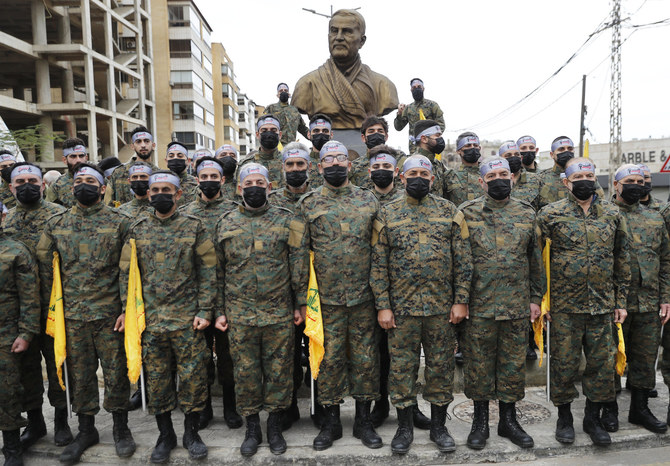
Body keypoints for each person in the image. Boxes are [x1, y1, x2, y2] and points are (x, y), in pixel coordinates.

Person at [371, 154, 472, 455]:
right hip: (401, 310)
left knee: (440, 369)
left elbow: (463, 261)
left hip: (442, 310)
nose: (418, 178)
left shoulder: (450, 211)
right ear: (401, 177)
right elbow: (378, 265)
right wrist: (383, 306)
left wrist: (461, 301)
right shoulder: (386, 214)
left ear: (432, 178)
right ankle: (404, 428)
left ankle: (439, 427)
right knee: (402, 370)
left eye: (423, 173)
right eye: (412, 173)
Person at [37, 163, 135, 463]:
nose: (83, 185)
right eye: (78, 180)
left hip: (110, 316)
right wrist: (53, 312)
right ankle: (86, 430)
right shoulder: (56, 223)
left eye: (90, 181)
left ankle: (121, 428)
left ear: (103, 187)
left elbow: (128, 270)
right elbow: (44, 267)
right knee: (80, 376)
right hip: (73, 317)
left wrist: (123, 310)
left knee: (117, 375)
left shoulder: (121, 222)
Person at [119, 170, 215, 463]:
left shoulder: (195, 227)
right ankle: (165, 435)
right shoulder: (135, 229)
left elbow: (208, 269)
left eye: (166, 189)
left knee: (193, 380)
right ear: (148, 194)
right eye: (155, 189)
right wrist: (127, 311)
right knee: (158, 382)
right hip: (152, 322)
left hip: (188, 320)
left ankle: (191, 433)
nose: (160, 194)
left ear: (178, 194)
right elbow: (126, 273)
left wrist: (204, 310)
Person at [214, 163, 306, 457]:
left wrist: (299, 304)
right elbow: (217, 271)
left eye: (260, 182)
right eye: (248, 182)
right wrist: (220, 310)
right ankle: (252, 426)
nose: (254, 187)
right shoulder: (225, 223)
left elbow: (298, 265)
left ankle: (275, 426)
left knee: (280, 372)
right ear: (239, 188)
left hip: (278, 312)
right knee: (246, 372)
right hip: (240, 314)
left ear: (269, 186)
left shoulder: (287, 220)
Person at [536, 157, 630, 446]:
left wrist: (621, 300)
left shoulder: (612, 215)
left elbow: (622, 258)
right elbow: (536, 261)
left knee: (601, 366)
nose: (585, 180)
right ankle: (564, 418)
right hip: (564, 307)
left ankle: (593, 417)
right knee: (564, 365)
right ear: (566, 182)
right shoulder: (549, 215)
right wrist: (542, 301)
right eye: (578, 177)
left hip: (602, 305)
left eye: (589, 175)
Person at [296, 140, 382, 451]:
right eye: (328, 159)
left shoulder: (369, 200)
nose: (334, 164)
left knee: (365, 361)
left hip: (363, 297)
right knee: (328, 361)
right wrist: (301, 302)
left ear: (349, 164)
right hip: (325, 302)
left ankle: (363, 421)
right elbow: (298, 255)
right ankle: (331, 421)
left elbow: (380, 250)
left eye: (340, 159)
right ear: (319, 167)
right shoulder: (307, 204)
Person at [459, 156, 545, 450]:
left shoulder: (526, 213)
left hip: (516, 304)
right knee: (478, 366)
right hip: (478, 305)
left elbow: (535, 260)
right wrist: (460, 301)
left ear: (512, 177)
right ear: (481, 181)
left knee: (512, 365)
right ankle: (480, 422)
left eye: (503, 174)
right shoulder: (466, 213)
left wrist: (536, 298)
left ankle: (509, 421)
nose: (498, 178)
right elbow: (459, 262)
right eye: (492, 175)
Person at [3, 163, 72, 450]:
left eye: (33, 180)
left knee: (58, 369)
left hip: (55, 306)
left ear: (43, 185)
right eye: (21, 181)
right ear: (11, 187)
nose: (27, 185)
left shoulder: (59, 216)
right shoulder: (6, 222)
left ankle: (61, 422)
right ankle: (35, 422)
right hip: (18, 314)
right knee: (27, 370)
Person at [608, 164, 669, 434]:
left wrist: (665, 297)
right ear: (616, 185)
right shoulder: (605, 216)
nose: (636, 185)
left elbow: (665, 260)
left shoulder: (655, 218)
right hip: (614, 304)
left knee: (644, 359)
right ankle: (607, 408)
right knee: (610, 358)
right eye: (629, 180)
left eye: (639, 180)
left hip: (649, 302)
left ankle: (639, 409)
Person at [182, 157, 240, 431]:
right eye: (203, 176)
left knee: (228, 357)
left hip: (229, 293)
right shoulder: (186, 213)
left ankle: (230, 407)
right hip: (197, 297)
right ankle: (204, 409)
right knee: (200, 356)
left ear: (223, 179)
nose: (209, 180)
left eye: (214, 176)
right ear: (196, 179)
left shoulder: (234, 210)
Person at [291, 9, 398, 129]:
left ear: (362, 41)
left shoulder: (383, 86)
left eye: (347, 32)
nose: (339, 37)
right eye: (334, 31)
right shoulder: (307, 84)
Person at [0, 208, 40, 466]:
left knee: (7, 392)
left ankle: (12, 447)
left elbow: (30, 297)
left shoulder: (16, 251)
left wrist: (26, 333)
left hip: (7, 334)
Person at [537, 136, 605, 209]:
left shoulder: (586, 177)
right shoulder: (541, 178)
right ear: (552, 154)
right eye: (561, 149)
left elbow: (601, 201)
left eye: (570, 149)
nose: (566, 152)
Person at [104, 126, 159, 206]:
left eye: (146, 141)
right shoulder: (119, 173)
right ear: (132, 146)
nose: (143, 145)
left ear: (153, 145)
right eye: (138, 142)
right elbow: (108, 203)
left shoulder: (158, 174)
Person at [394, 78, 445, 153]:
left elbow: (441, 125)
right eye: (414, 87)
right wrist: (399, 114)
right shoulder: (408, 108)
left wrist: (431, 138)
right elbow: (398, 127)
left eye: (419, 87)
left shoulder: (432, 105)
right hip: (414, 149)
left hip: (430, 146)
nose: (416, 89)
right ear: (411, 90)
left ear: (423, 88)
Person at [238, 115, 284, 189]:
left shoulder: (289, 162)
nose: (269, 134)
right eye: (264, 130)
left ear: (280, 135)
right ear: (257, 135)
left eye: (273, 130)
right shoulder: (245, 164)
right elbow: (239, 195)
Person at [410, 120, 450, 198]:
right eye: (437, 136)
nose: (441, 139)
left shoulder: (438, 164)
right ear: (424, 139)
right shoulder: (412, 163)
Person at [46, 138, 89, 208]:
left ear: (86, 157)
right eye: (73, 156)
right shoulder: (57, 185)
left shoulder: (99, 180)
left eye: (81, 156)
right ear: (64, 160)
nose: (78, 160)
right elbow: (49, 211)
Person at [349, 116, 390, 186]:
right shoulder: (355, 166)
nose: (376, 134)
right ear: (363, 137)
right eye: (371, 131)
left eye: (380, 131)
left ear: (386, 137)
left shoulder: (398, 160)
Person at [498, 141, 540, 209]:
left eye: (517, 154)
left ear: (521, 158)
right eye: (508, 155)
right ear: (500, 159)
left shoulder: (536, 180)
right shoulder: (495, 181)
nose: (513, 158)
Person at [446, 132, 484, 207]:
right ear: (459, 151)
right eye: (468, 146)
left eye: (475, 145)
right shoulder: (449, 176)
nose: (472, 148)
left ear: (479, 148)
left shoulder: (488, 174)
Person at [165, 141, 199, 206]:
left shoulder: (196, 183)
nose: (175, 158)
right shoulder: (160, 183)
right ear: (166, 161)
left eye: (180, 156)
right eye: (171, 156)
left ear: (188, 161)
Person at [306, 114, 333, 186]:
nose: (321, 134)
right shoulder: (302, 163)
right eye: (316, 131)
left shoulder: (338, 162)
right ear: (309, 134)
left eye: (325, 131)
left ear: (331, 135)